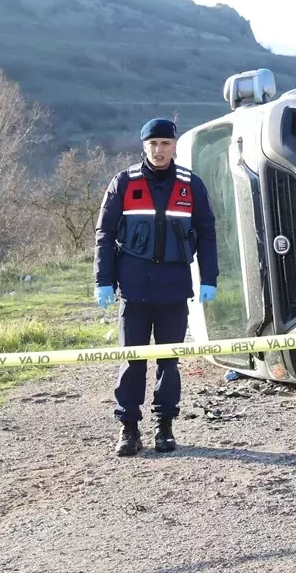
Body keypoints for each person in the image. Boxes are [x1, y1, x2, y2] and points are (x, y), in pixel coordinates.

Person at [95, 118, 218, 457]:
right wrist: (103, 280)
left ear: (174, 146)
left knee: (169, 362)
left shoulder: (191, 184)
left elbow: (207, 233)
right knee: (132, 360)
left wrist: (210, 278)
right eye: (153, 144)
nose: (159, 150)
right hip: (133, 288)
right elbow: (104, 234)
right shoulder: (123, 182)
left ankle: (165, 427)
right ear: (143, 146)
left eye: (165, 143)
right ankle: (129, 428)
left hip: (174, 289)